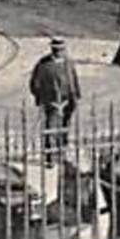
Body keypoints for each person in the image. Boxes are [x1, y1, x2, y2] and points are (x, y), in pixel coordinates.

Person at [28, 37, 81, 167]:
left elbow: (73, 79)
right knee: (50, 128)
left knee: (64, 127)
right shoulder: (44, 64)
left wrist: (75, 96)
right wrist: (41, 97)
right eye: (56, 50)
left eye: (61, 50)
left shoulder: (68, 63)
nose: (59, 52)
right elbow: (35, 83)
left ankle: (62, 153)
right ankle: (49, 156)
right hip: (51, 101)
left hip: (67, 100)